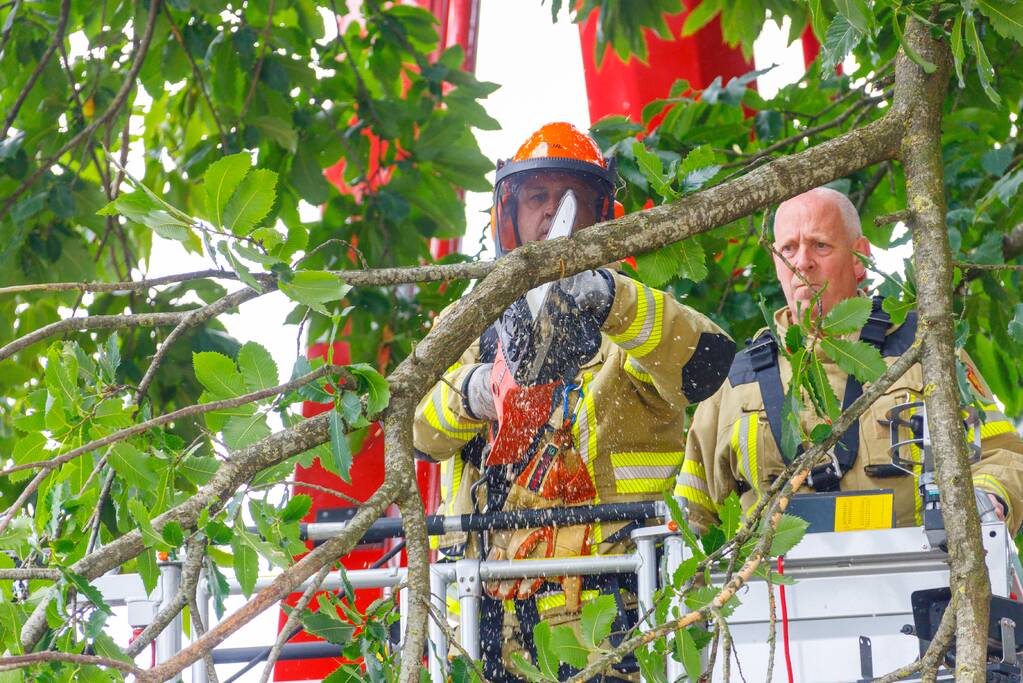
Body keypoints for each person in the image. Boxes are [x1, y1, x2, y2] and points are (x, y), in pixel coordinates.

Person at [413, 122, 736, 681]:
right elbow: (415, 430)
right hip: (490, 613)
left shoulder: (632, 325)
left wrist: (612, 299)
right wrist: (479, 393)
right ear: (508, 212)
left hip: (619, 611)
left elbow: (707, 362)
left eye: (571, 199)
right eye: (538, 196)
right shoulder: (469, 328)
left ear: (600, 214)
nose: (553, 213)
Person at [680, 187, 1023, 535]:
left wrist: (988, 498)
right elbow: (695, 519)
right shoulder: (735, 381)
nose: (802, 262)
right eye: (788, 249)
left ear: (858, 256)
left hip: (916, 579)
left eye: (820, 245)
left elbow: (1003, 456)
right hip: (776, 586)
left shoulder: (923, 349)